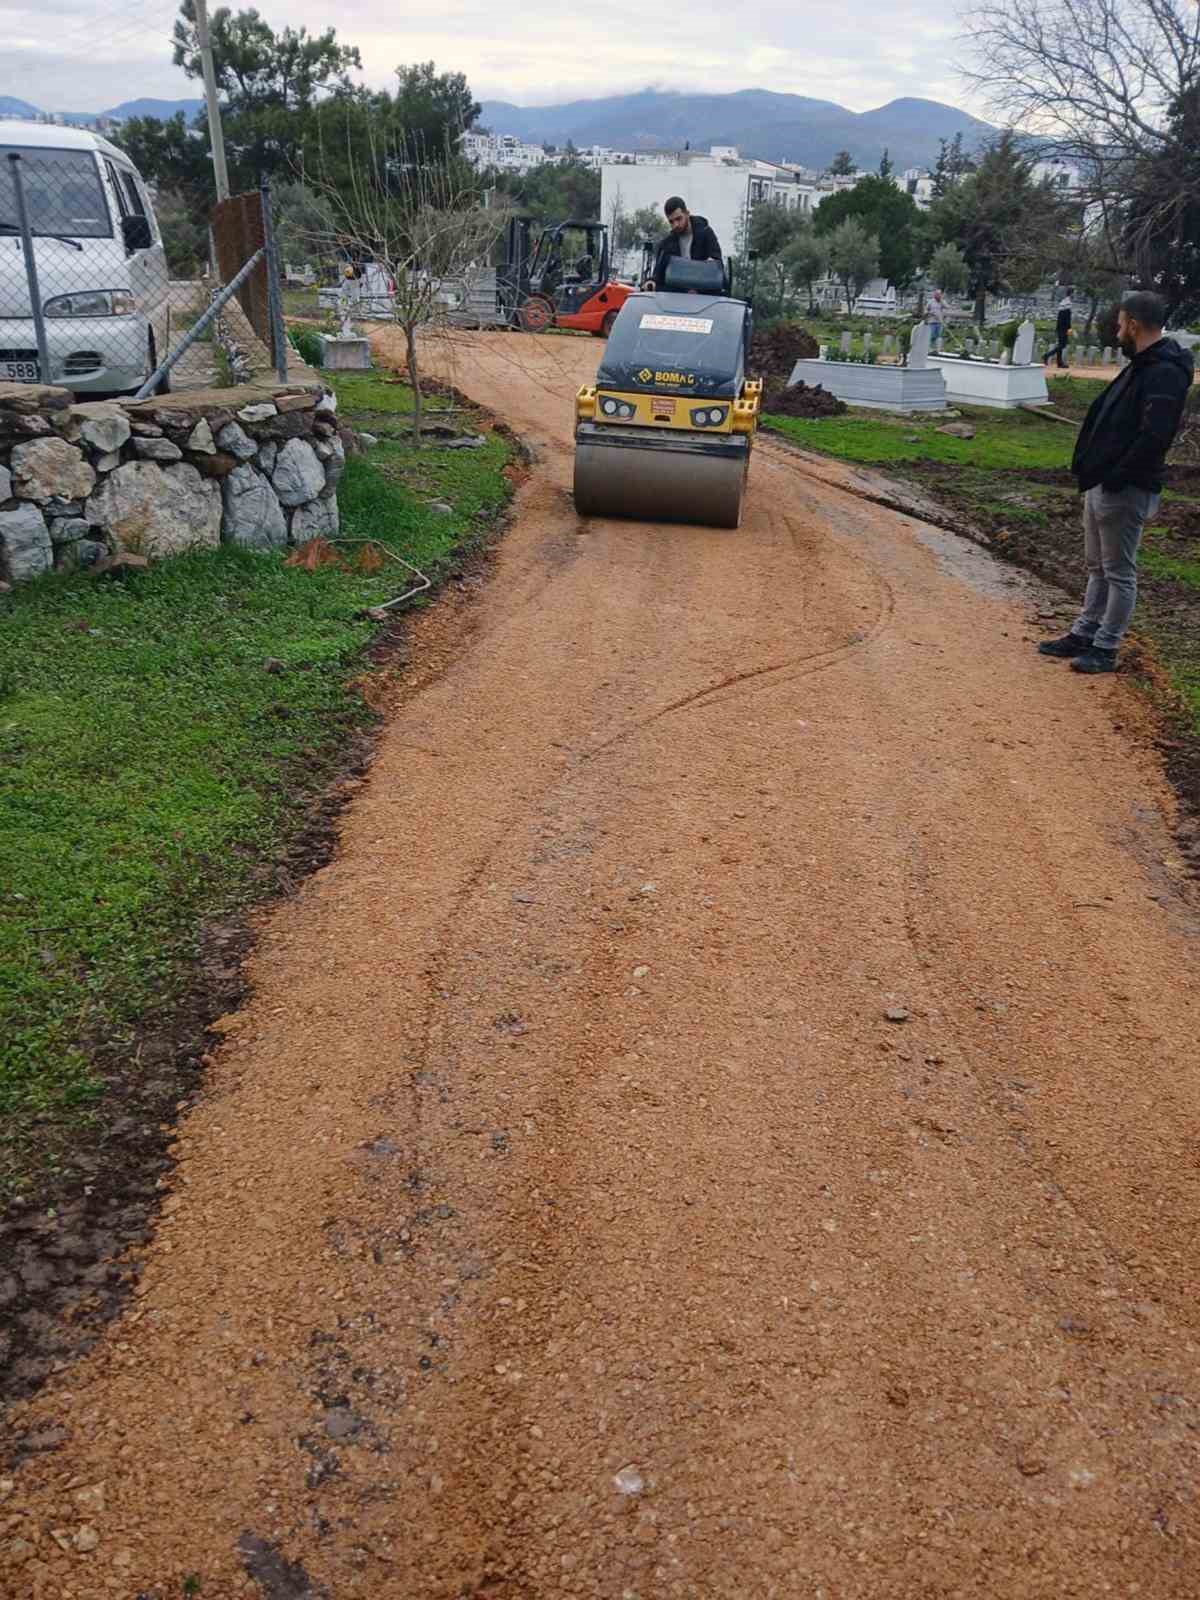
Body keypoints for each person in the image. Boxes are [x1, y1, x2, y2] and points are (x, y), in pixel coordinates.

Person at [1038, 290, 1194, 675]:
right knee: (1098, 567)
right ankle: (1084, 632)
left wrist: (1117, 475)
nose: (1117, 329)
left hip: (1125, 487)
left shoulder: (1164, 371)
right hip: (1103, 482)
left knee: (1119, 571)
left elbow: (1154, 436)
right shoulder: (1142, 364)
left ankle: (1106, 647)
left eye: (1121, 322)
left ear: (1134, 325)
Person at [646, 197, 722, 291]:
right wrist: (651, 282)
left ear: (687, 214)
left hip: (704, 296)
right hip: (676, 296)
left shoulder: (706, 233)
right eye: (671, 222)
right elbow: (657, 275)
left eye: (678, 219)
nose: (675, 225)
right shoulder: (666, 244)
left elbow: (717, 266)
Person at [1044, 288, 1073, 368]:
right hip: (1064, 328)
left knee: (1061, 345)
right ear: (1071, 294)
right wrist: (1069, 329)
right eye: (1074, 293)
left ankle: (1059, 363)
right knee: (1062, 345)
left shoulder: (1063, 302)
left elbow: (1060, 317)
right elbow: (1067, 318)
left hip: (1060, 327)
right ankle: (1047, 355)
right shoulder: (1068, 304)